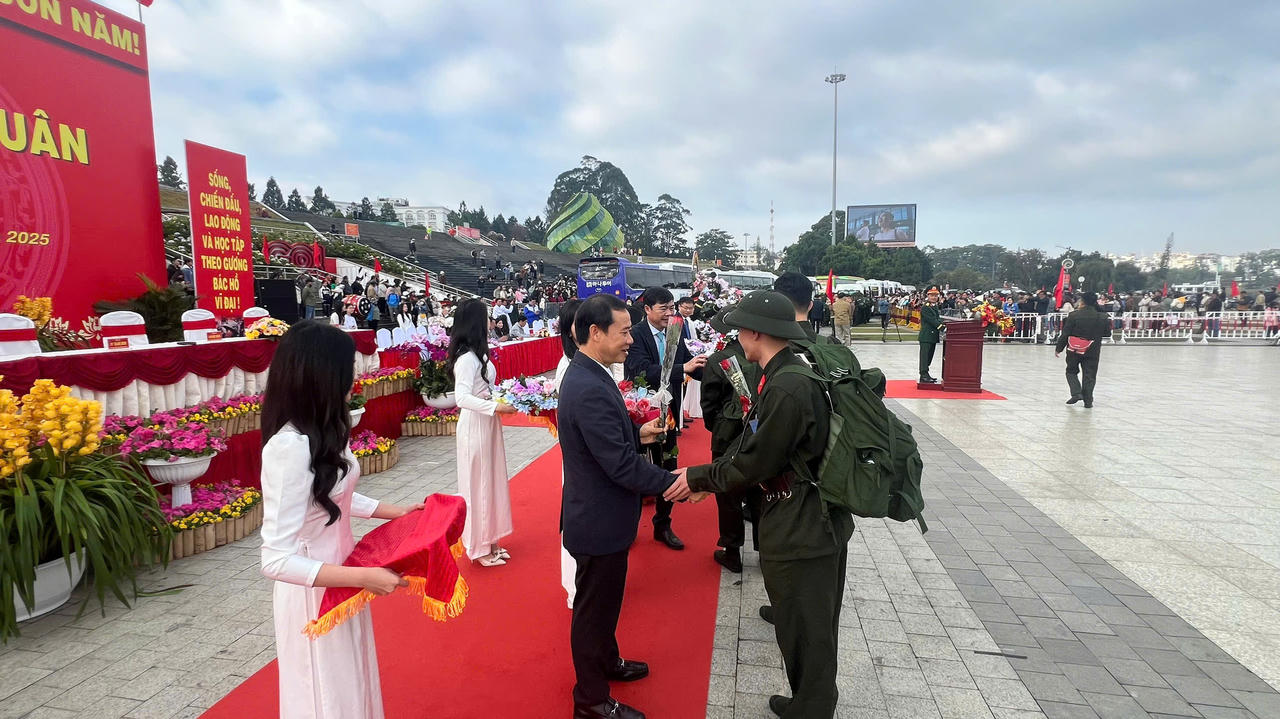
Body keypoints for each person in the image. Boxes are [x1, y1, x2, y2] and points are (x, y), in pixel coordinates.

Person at [666, 291, 853, 718]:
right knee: (804, 623)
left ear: (755, 332)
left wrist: (698, 478)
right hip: (808, 514)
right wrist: (712, 478)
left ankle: (812, 709)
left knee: (807, 628)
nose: (736, 338)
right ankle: (809, 699)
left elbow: (755, 461)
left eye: (739, 330)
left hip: (803, 522)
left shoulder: (788, 386)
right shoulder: (785, 372)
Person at [259, 321, 424, 719]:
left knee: (352, 678)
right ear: (320, 376)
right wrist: (364, 577)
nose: (355, 379)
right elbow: (274, 560)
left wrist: (397, 511)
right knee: (326, 692)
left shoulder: (326, 428)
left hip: (345, 572)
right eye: (347, 370)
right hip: (314, 587)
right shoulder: (288, 448)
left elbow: (333, 493)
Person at [558, 294, 681, 719]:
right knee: (593, 613)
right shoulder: (588, 384)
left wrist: (637, 432)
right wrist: (675, 483)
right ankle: (590, 699)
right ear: (595, 332)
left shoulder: (592, 372)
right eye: (624, 331)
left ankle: (607, 661)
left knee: (606, 604)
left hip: (603, 515)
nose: (631, 339)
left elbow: (605, 442)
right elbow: (620, 466)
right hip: (598, 519)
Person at [624, 286, 707, 550]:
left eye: (672, 308)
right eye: (664, 309)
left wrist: (713, 368)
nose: (670, 313)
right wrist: (683, 368)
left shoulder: (675, 330)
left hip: (668, 412)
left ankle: (663, 524)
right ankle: (629, 527)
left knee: (669, 464)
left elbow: (688, 364)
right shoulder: (634, 335)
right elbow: (640, 370)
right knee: (637, 468)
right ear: (647, 309)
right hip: (641, 411)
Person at [449, 299, 519, 566]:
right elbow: (461, 397)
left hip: (489, 422)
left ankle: (492, 539)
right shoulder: (466, 360)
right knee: (478, 484)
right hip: (476, 423)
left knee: (493, 479)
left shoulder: (480, 355)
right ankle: (478, 547)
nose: (491, 322)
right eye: (486, 318)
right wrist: (494, 406)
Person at [700, 309, 761, 574]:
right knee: (761, 490)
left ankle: (732, 552)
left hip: (727, 432)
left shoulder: (718, 359)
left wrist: (716, 426)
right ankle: (766, 551)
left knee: (727, 493)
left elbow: (708, 402)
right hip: (760, 429)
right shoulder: (763, 356)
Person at [552, 299, 583, 608]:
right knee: (577, 517)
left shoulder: (584, 362)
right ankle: (575, 584)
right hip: (578, 457)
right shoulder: (568, 367)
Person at [1055, 292, 1110, 408]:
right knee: (1090, 375)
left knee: (1071, 371)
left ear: (1082, 301)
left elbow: (1065, 333)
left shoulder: (1074, 315)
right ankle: (1088, 401)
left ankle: (1076, 392)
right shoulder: (1102, 316)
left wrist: (1059, 348)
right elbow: (1107, 333)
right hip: (1093, 349)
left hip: (1074, 349)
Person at [918, 289, 943, 383]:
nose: (934, 297)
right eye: (932, 295)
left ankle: (926, 374)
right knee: (925, 357)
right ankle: (923, 374)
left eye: (935, 296)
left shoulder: (934, 306)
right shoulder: (926, 307)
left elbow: (938, 319)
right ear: (927, 296)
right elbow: (932, 320)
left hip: (932, 336)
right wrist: (942, 327)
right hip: (927, 335)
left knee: (929, 356)